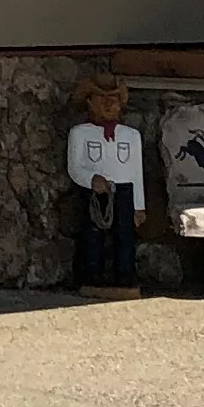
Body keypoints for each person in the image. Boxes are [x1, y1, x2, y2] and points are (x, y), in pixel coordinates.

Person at [68, 78, 144, 292]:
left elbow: (136, 172)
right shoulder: (80, 133)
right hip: (95, 191)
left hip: (124, 190)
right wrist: (90, 180)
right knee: (92, 234)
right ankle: (93, 276)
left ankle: (126, 275)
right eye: (102, 99)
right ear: (90, 102)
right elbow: (75, 167)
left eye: (114, 100)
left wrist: (139, 205)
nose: (108, 105)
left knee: (125, 235)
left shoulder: (131, 136)